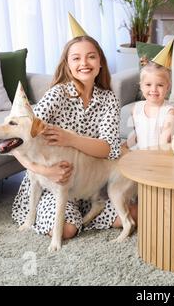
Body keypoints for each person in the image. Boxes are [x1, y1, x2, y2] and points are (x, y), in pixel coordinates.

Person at [12, 35, 137, 239]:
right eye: (76, 58)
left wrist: (70, 139)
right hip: (53, 183)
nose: (84, 63)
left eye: (91, 57)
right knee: (65, 230)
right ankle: (73, 218)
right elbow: (19, 139)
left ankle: (83, 215)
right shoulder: (57, 94)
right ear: (68, 65)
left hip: (90, 181)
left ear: (100, 64)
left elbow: (109, 149)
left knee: (135, 214)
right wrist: (44, 170)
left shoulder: (109, 100)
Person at [127, 42, 174, 150]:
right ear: (141, 86)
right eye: (148, 84)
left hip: (160, 159)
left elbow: (164, 143)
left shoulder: (169, 112)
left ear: (167, 87)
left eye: (160, 85)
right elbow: (136, 137)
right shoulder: (136, 109)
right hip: (141, 157)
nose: (153, 89)